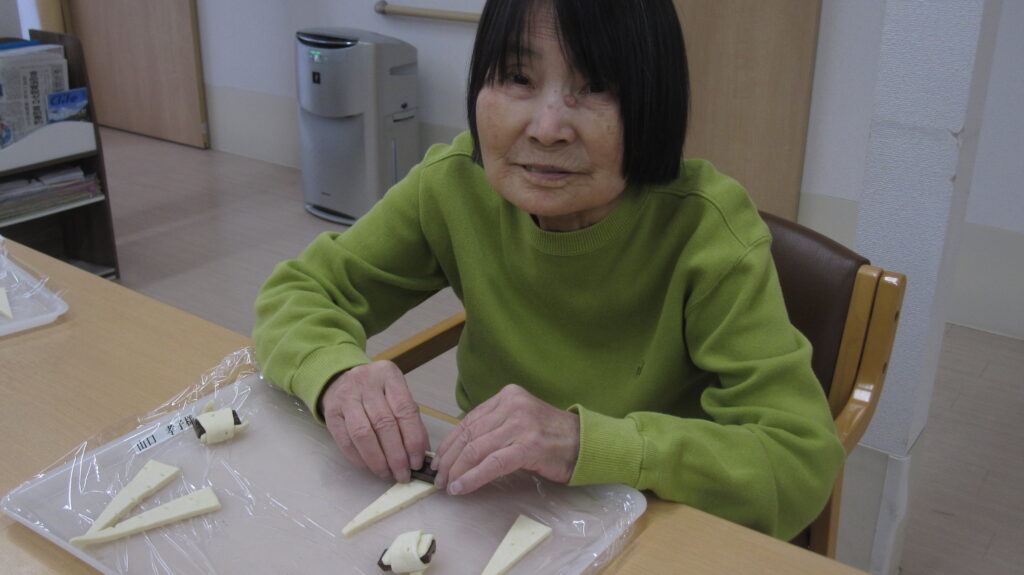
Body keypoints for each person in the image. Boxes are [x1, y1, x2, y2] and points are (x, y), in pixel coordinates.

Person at [253, 0, 845, 541]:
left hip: (652, 519)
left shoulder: (708, 232)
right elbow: (299, 291)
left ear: (654, 102)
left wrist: (587, 443)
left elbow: (797, 463)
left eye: (597, 86)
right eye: (517, 78)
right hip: (491, 502)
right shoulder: (454, 184)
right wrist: (337, 375)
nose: (546, 128)